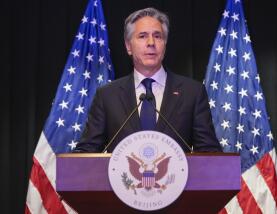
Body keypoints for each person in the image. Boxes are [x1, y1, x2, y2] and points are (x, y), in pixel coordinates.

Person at [74, 7, 221, 153]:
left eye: (157, 36)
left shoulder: (192, 93)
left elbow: (210, 154)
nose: (151, 42)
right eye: (142, 36)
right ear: (128, 46)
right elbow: (87, 152)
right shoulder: (107, 96)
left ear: (165, 44)